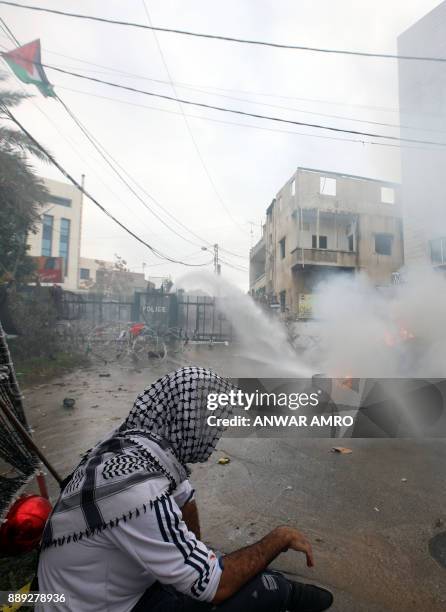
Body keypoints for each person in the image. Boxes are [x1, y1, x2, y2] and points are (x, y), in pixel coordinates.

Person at [37, 367, 333, 612]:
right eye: (210, 424)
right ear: (188, 423)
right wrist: (279, 539)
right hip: (91, 606)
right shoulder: (139, 492)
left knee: (219, 564)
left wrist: (194, 555)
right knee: (250, 593)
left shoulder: (130, 443)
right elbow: (217, 587)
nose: (214, 435)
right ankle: (284, 594)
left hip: (95, 588)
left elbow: (185, 496)